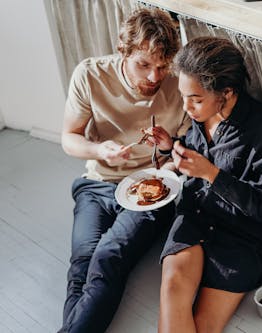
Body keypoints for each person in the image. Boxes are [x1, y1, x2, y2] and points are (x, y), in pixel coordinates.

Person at [59, 8, 190, 333]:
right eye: (143, 65)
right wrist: (98, 149)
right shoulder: (90, 75)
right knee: (82, 263)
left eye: (162, 66)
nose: (153, 77)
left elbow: (184, 154)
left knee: (108, 258)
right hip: (98, 183)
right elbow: (69, 138)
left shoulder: (179, 86)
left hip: (152, 189)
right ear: (124, 52)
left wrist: (165, 162)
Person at [157, 36, 262, 333]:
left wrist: (212, 174)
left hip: (242, 236)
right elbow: (196, 153)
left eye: (195, 99)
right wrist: (173, 149)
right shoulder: (199, 115)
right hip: (195, 219)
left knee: (205, 326)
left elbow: (261, 207)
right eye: (183, 97)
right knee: (172, 292)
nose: (187, 107)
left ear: (227, 92)